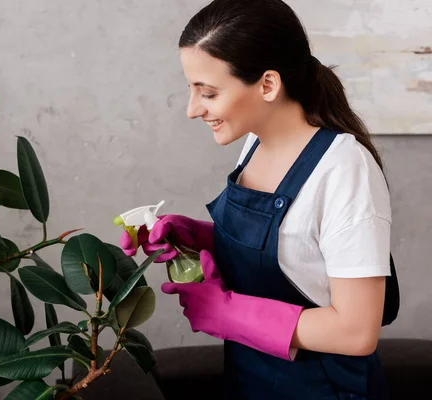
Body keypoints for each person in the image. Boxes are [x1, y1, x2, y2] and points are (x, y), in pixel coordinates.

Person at [119, 0, 400, 399]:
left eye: (209, 93)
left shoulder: (344, 168)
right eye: (192, 90)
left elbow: (356, 332)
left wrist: (225, 312)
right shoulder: (254, 143)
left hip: (321, 388)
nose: (192, 109)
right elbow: (293, 251)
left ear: (268, 84)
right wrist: (194, 237)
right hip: (248, 377)